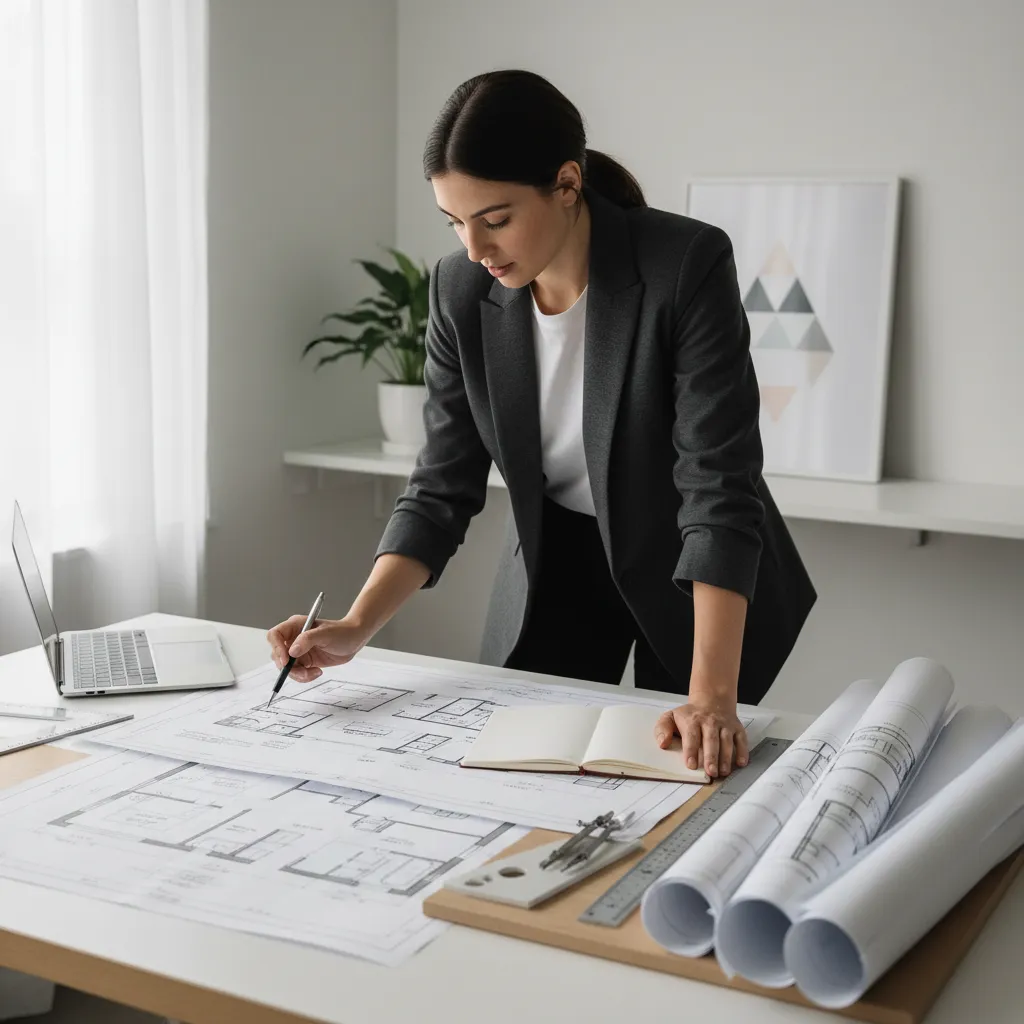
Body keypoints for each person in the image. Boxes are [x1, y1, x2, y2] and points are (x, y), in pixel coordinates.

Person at [268, 70, 816, 780]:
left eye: (495, 219)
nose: (475, 249)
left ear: (566, 183)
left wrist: (713, 695)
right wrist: (355, 625)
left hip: (690, 566)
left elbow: (718, 483)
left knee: (683, 777)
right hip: (555, 562)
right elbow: (440, 484)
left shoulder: (683, 265)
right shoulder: (460, 291)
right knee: (523, 770)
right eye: (454, 222)